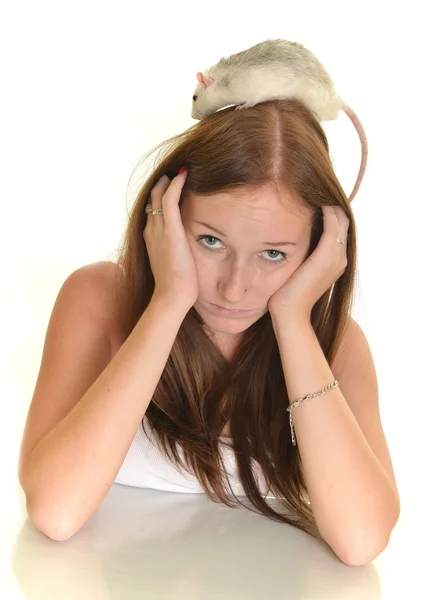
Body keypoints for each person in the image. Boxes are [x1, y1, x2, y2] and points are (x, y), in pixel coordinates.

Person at [17, 98, 399, 564]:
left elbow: (362, 541)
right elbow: (56, 510)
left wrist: (294, 321)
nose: (235, 287)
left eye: (273, 254)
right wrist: (169, 300)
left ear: (318, 252)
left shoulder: (334, 346)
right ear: (166, 217)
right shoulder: (98, 299)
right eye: (211, 241)